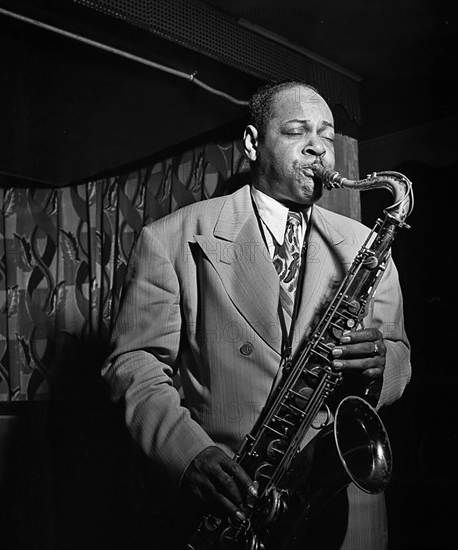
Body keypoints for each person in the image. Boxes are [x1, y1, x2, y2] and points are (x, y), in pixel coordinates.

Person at [102, 80, 411, 549]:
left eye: (326, 135)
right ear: (252, 143)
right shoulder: (169, 238)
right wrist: (189, 456)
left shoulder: (369, 244)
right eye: (296, 131)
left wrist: (382, 365)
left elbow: (400, 354)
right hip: (234, 500)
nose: (318, 149)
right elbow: (135, 366)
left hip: (344, 508)